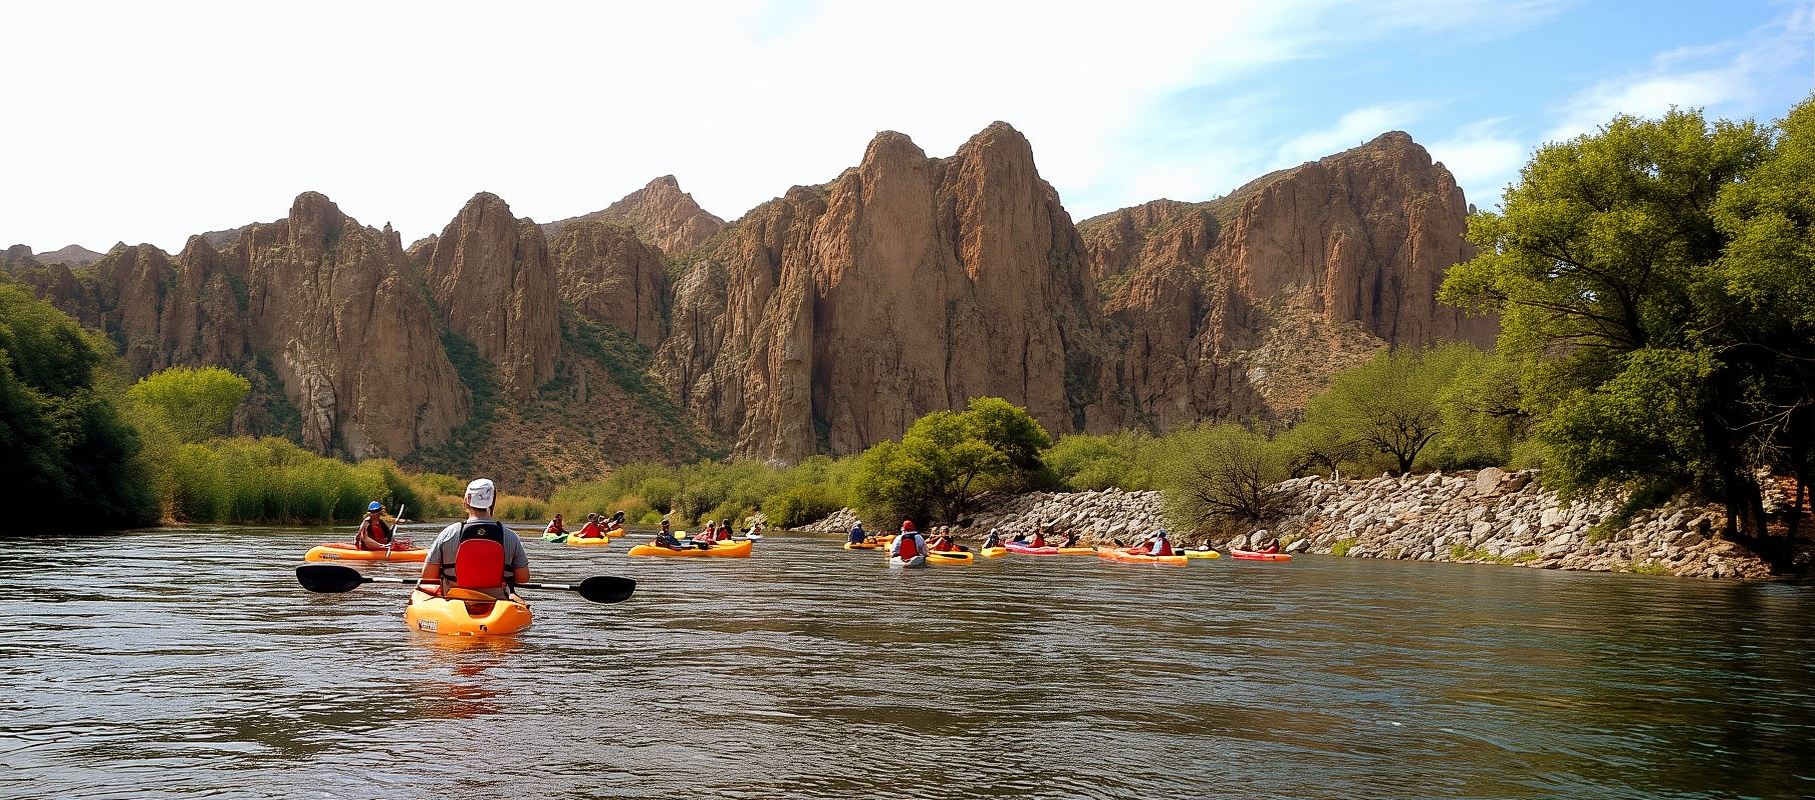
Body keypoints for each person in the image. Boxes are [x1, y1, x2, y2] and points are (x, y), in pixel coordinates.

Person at [418, 479, 529, 601]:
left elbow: (428, 576)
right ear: (492, 503)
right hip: (498, 601)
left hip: (454, 600)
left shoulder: (448, 533)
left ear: (466, 501)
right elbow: (523, 578)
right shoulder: (510, 537)